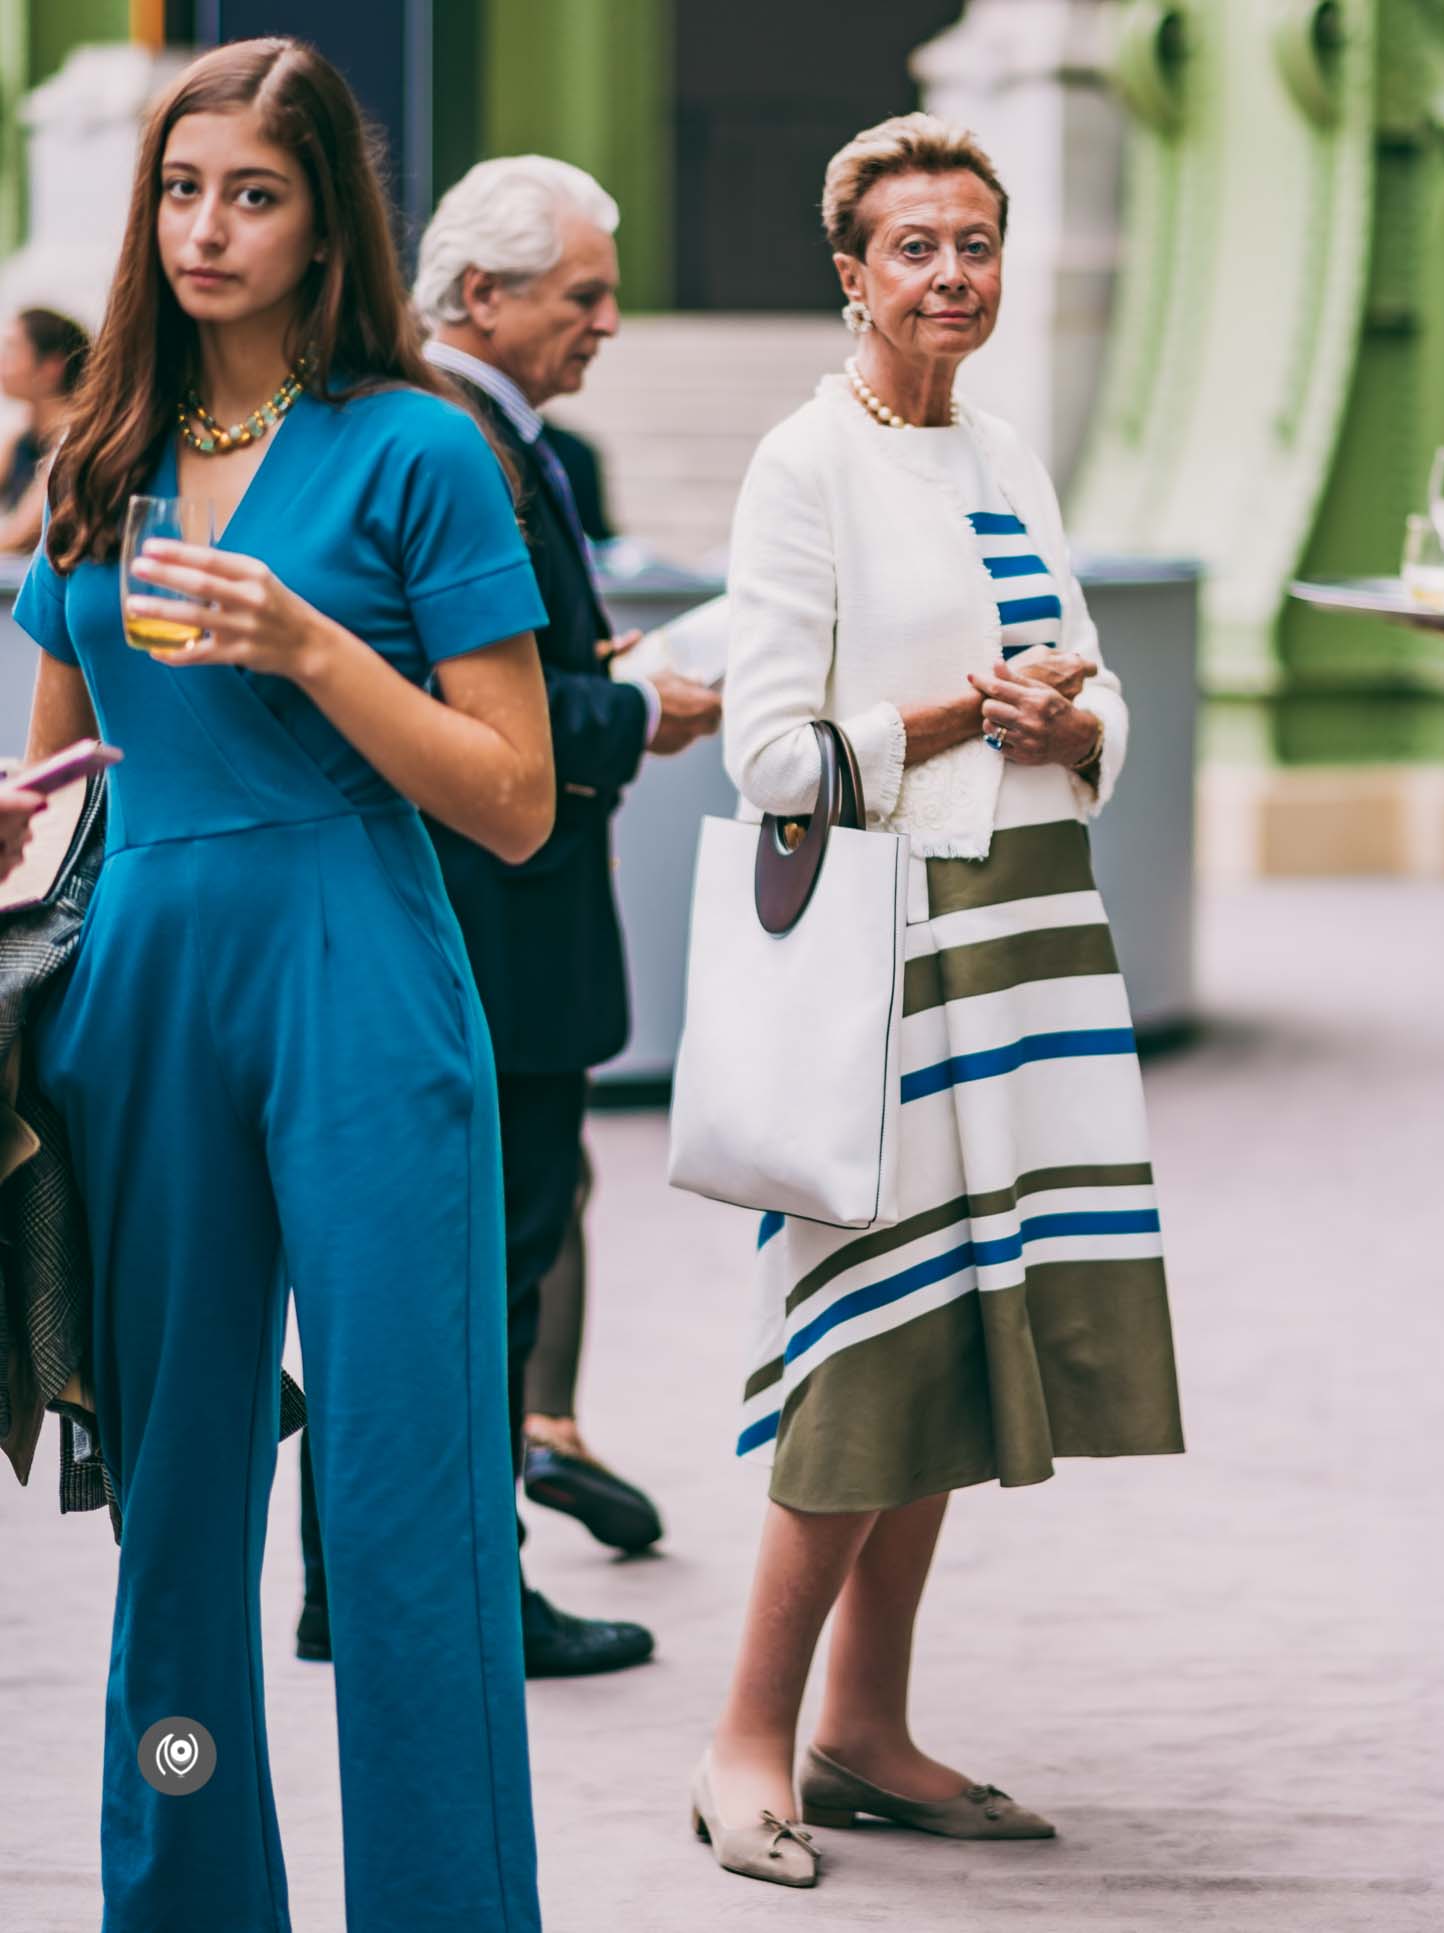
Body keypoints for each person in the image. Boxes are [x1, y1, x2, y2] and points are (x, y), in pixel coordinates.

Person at [16, 39, 551, 1930]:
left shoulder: (416, 447)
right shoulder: (99, 451)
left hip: (360, 984)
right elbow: (63, 777)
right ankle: (184, 1892)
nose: (206, 228)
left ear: (329, 221)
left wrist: (315, 645)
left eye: (252, 192)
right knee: (175, 1527)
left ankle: (443, 1904)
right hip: (138, 997)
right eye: (180, 190)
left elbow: (512, 799)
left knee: (408, 1519)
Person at [692, 113, 1184, 1891]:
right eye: (916, 245)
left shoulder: (1006, 450)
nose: (954, 272)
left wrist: (1077, 724)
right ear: (852, 270)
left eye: (976, 240)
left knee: (965, 1347)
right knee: (862, 1352)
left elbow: (1085, 679)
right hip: (890, 959)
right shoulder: (800, 464)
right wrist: (953, 721)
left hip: (1032, 937)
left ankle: (865, 1725)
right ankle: (747, 1735)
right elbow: (764, 754)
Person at [292, 155, 712, 1678]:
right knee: (474, 1286)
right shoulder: (452, 436)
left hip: (472, 923)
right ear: (482, 295)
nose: (608, 321)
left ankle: (364, 1585)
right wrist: (638, 707)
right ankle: (470, 1596)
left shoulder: (455, 427)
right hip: (493, 925)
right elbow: (469, 719)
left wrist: (596, 680)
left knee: (429, 1281)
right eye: (583, 293)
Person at [0, 307, 89, 551]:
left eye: (12, 349)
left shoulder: (76, 439)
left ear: (51, 367)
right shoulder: (21, 438)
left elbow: (19, 536)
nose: (2, 361)